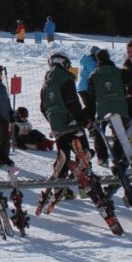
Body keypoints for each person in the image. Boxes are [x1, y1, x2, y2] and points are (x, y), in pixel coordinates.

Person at [41, 52, 89, 195]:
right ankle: (85, 186)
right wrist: (80, 118)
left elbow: (43, 108)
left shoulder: (45, 85)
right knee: (82, 153)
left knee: (63, 156)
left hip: (57, 126)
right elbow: (72, 101)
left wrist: (53, 120)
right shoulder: (66, 78)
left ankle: (60, 187)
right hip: (71, 123)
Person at [86, 49, 128, 165]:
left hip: (103, 108)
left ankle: (102, 158)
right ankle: (117, 156)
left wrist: (99, 98)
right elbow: (129, 82)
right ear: (109, 58)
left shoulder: (93, 75)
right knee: (119, 132)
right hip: (119, 106)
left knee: (99, 132)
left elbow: (91, 93)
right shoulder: (119, 71)